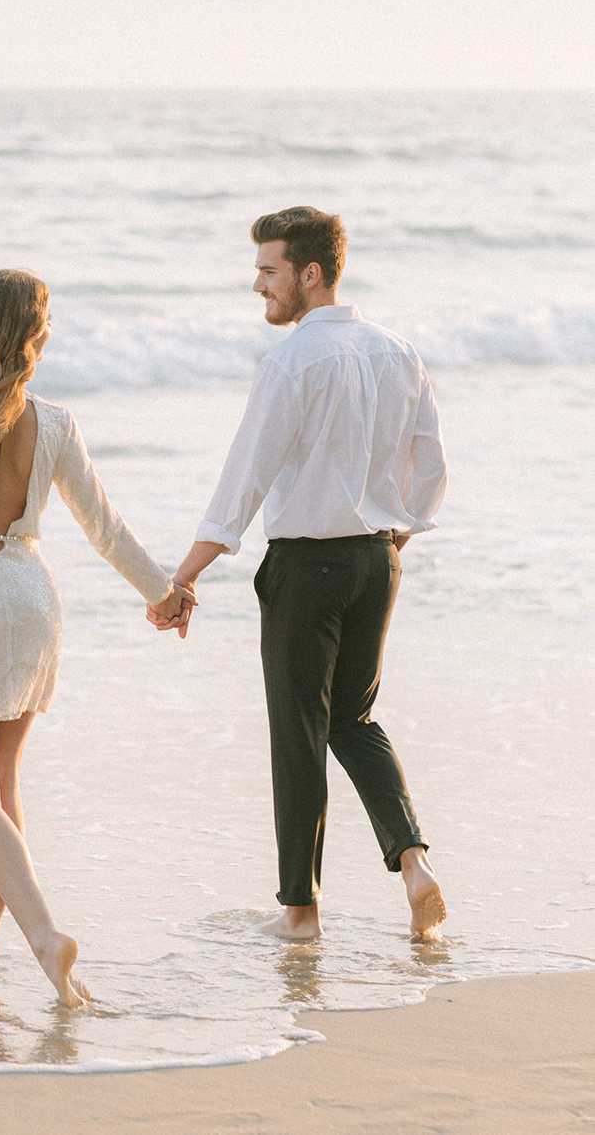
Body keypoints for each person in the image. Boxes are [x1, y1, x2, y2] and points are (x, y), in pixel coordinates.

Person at [0, 268, 192, 1007]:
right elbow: (103, 525)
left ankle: (44, 937)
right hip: (28, 598)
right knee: (0, 789)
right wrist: (164, 592)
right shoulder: (51, 421)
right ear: (28, 336)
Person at [153, 208, 448, 940]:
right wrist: (387, 542)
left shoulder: (291, 361)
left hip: (306, 565)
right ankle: (413, 863)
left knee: (297, 732)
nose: (257, 285)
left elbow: (242, 481)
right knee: (352, 719)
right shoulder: (396, 350)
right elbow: (431, 466)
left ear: (308, 274)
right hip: (376, 560)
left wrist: (184, 576)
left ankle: (301, 914)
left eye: (268, 270)